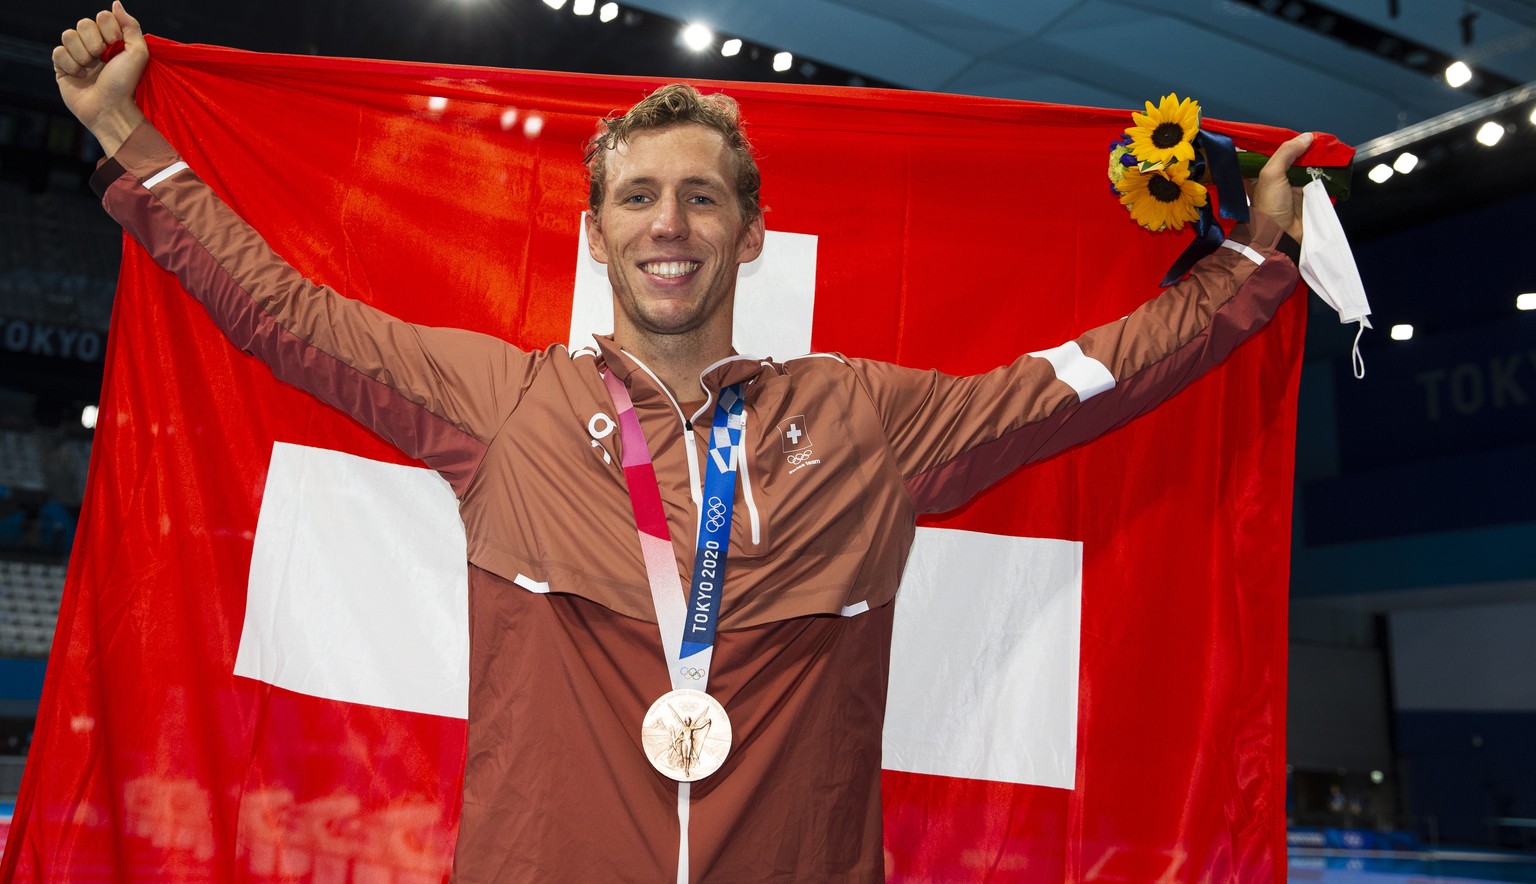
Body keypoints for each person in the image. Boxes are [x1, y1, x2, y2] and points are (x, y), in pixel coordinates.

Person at [54, 4, 1313, 881]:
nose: (672, 223)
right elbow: (286, 313)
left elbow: (1079, 383)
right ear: (596, 235)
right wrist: (128, 138)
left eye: (703, 196)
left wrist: (1251, 264)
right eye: (641, 197)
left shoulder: (864, 420)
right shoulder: (504, 405)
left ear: (750, 233)